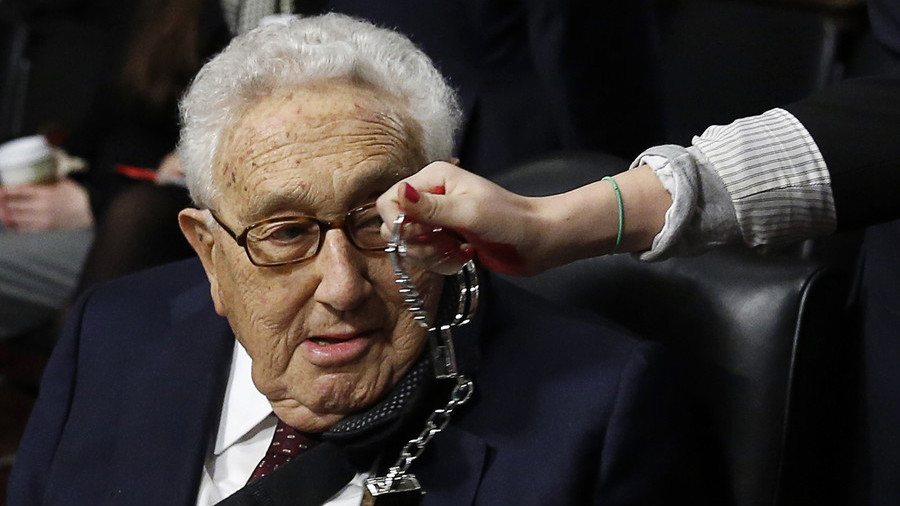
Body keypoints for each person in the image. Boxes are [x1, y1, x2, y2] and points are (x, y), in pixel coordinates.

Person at [7, 14, 712, 505]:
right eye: (285, 234)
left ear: (446, 205)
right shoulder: (110, 337)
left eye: (381, 223)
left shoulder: (598, 414)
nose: (342, 289)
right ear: (210, 252)